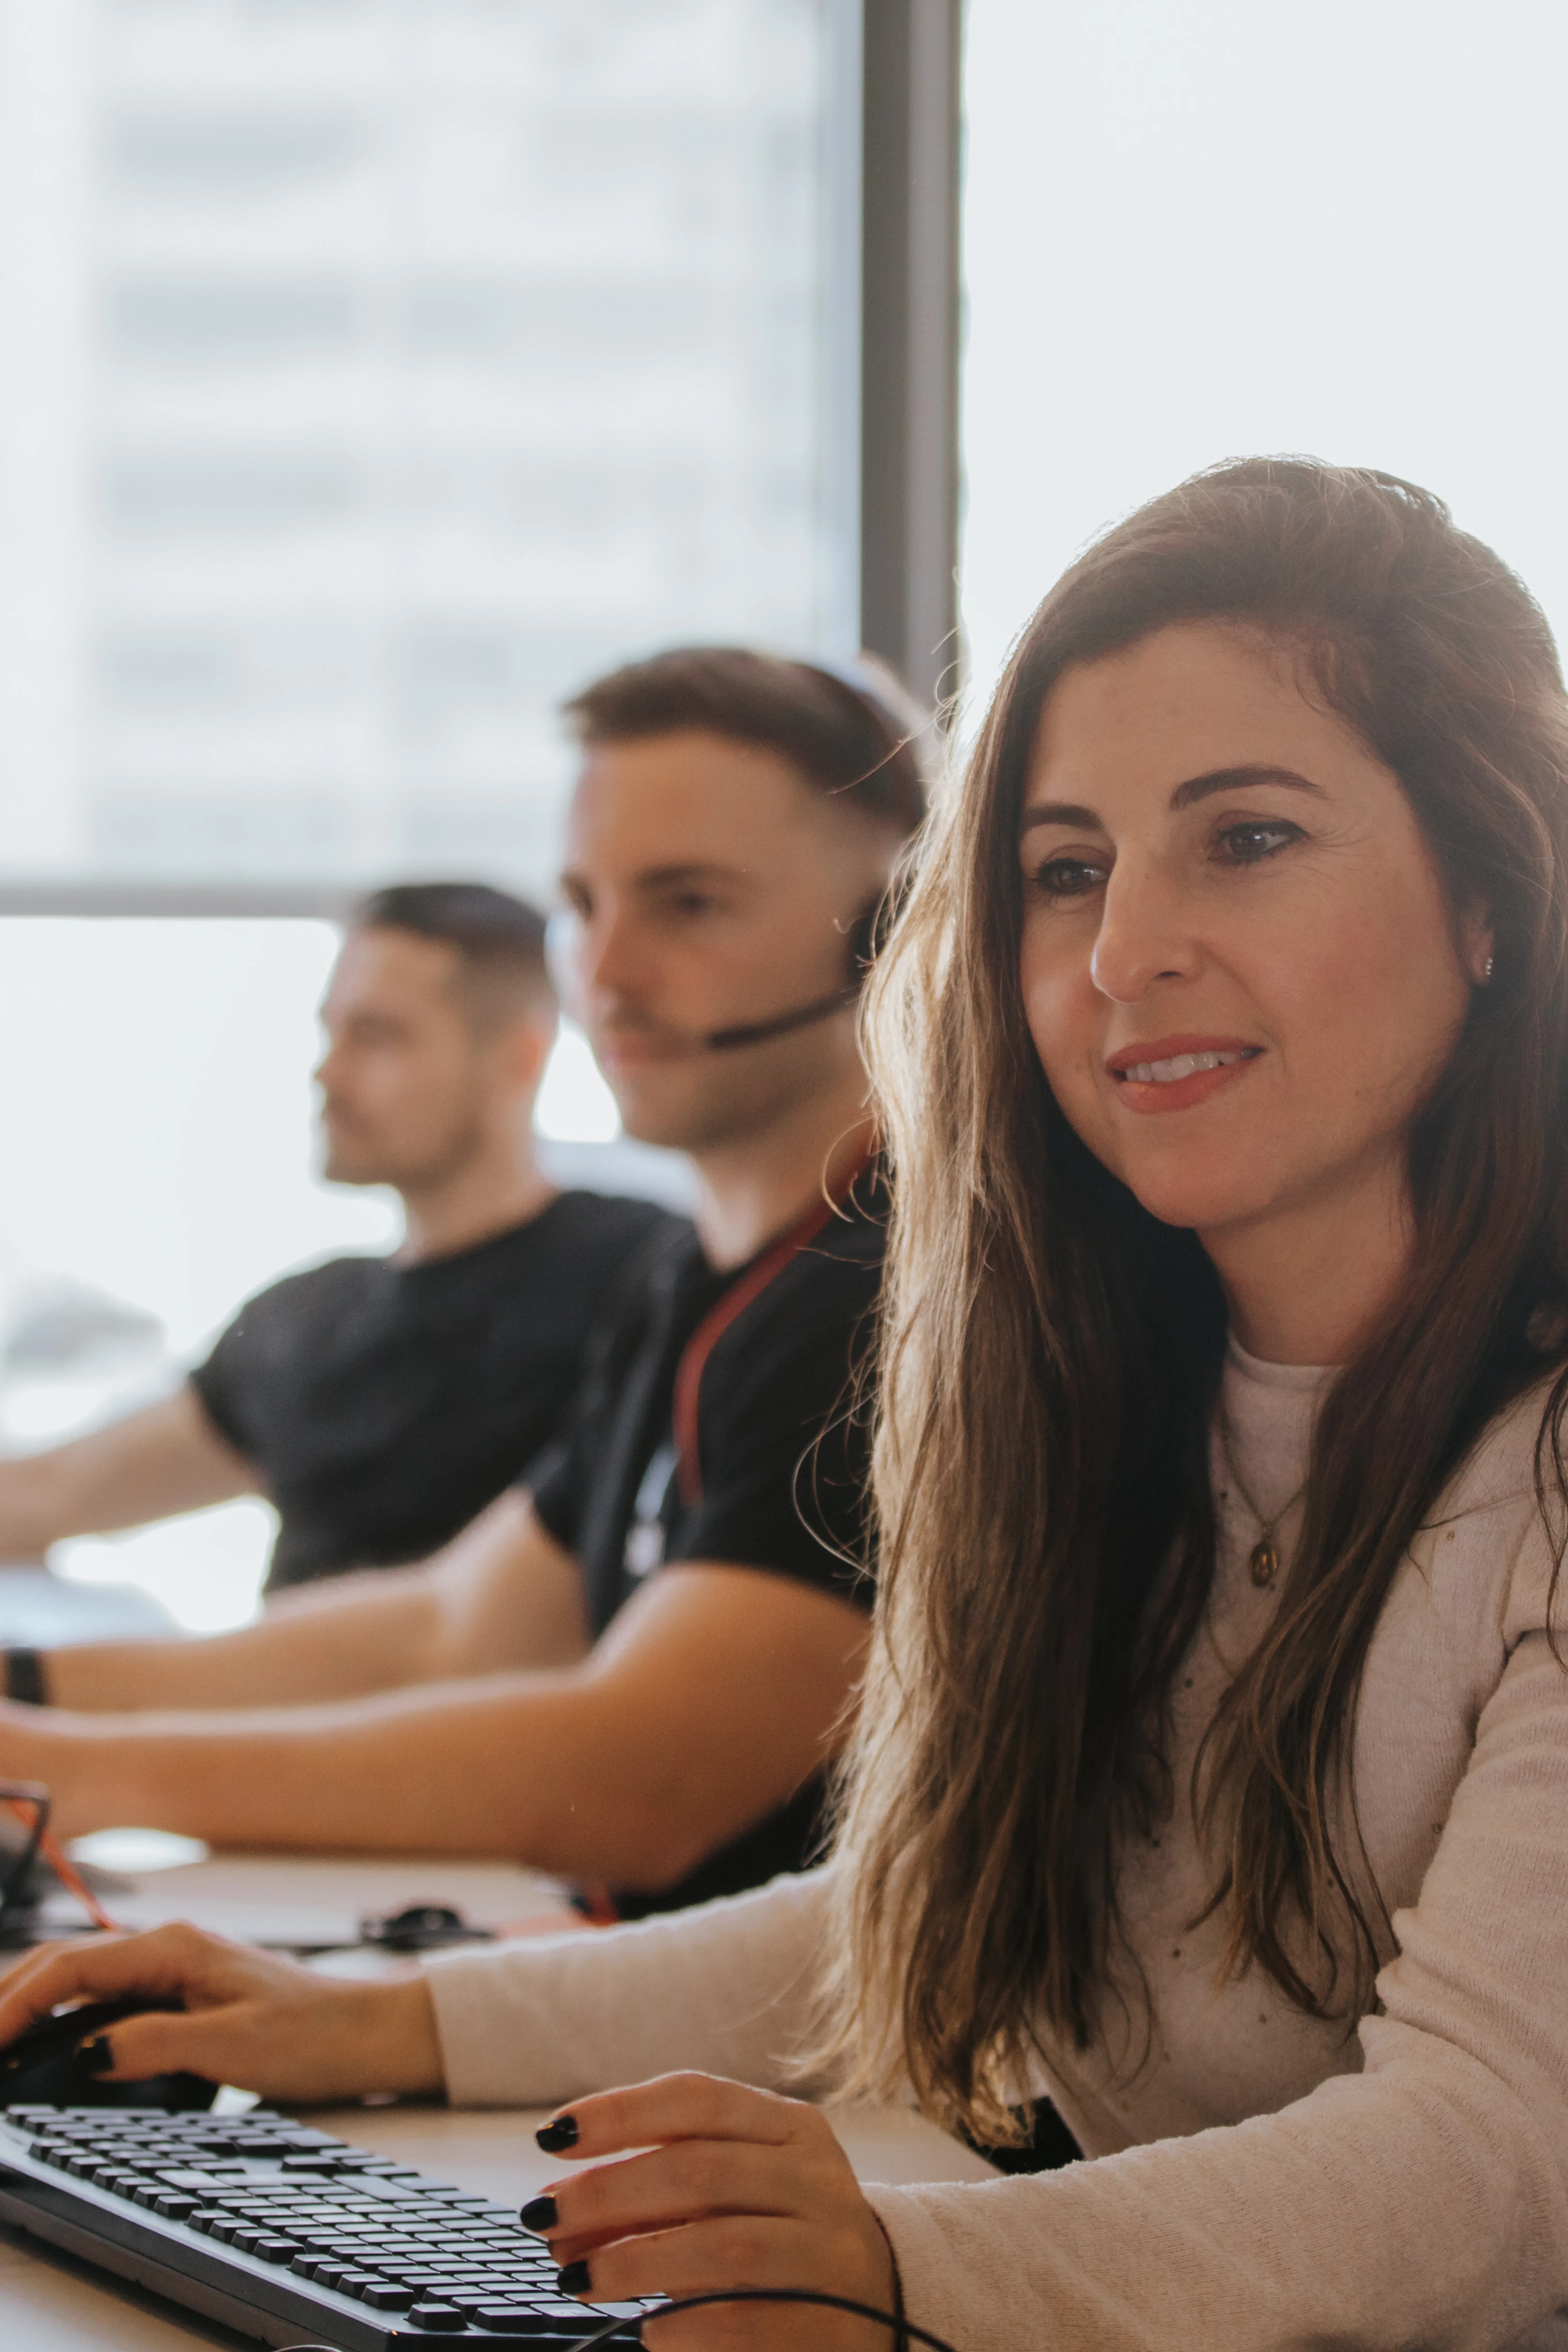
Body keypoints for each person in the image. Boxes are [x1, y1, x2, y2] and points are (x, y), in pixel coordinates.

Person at [10, 461, 1566, 2352]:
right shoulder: (1093, 1385)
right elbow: (915, 1911)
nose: (1119, 951)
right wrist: (370, 2024)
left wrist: (911, 2264)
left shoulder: (1535, 1468)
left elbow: (1489, 2168)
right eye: (1065, 869)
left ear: (1494, 897)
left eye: (1245, 838)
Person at [0, 649, 929, 1917]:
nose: (607, 974)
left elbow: (641, 1777)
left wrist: (67, 1771)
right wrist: (31, 1693)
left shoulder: (885, 1294)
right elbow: (449, 1625)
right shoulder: (690, 1285)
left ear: (893, 929)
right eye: (585, 904)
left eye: (690, 904)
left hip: (802, 2083)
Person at [0, 882, 667, 1597]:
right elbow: (52, 1493)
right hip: (261, 1700)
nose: (329, 1073)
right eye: (331, 1031)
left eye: (377, 1036)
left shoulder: (642, 1276)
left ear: (520, 1057)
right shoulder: (305, 1323)